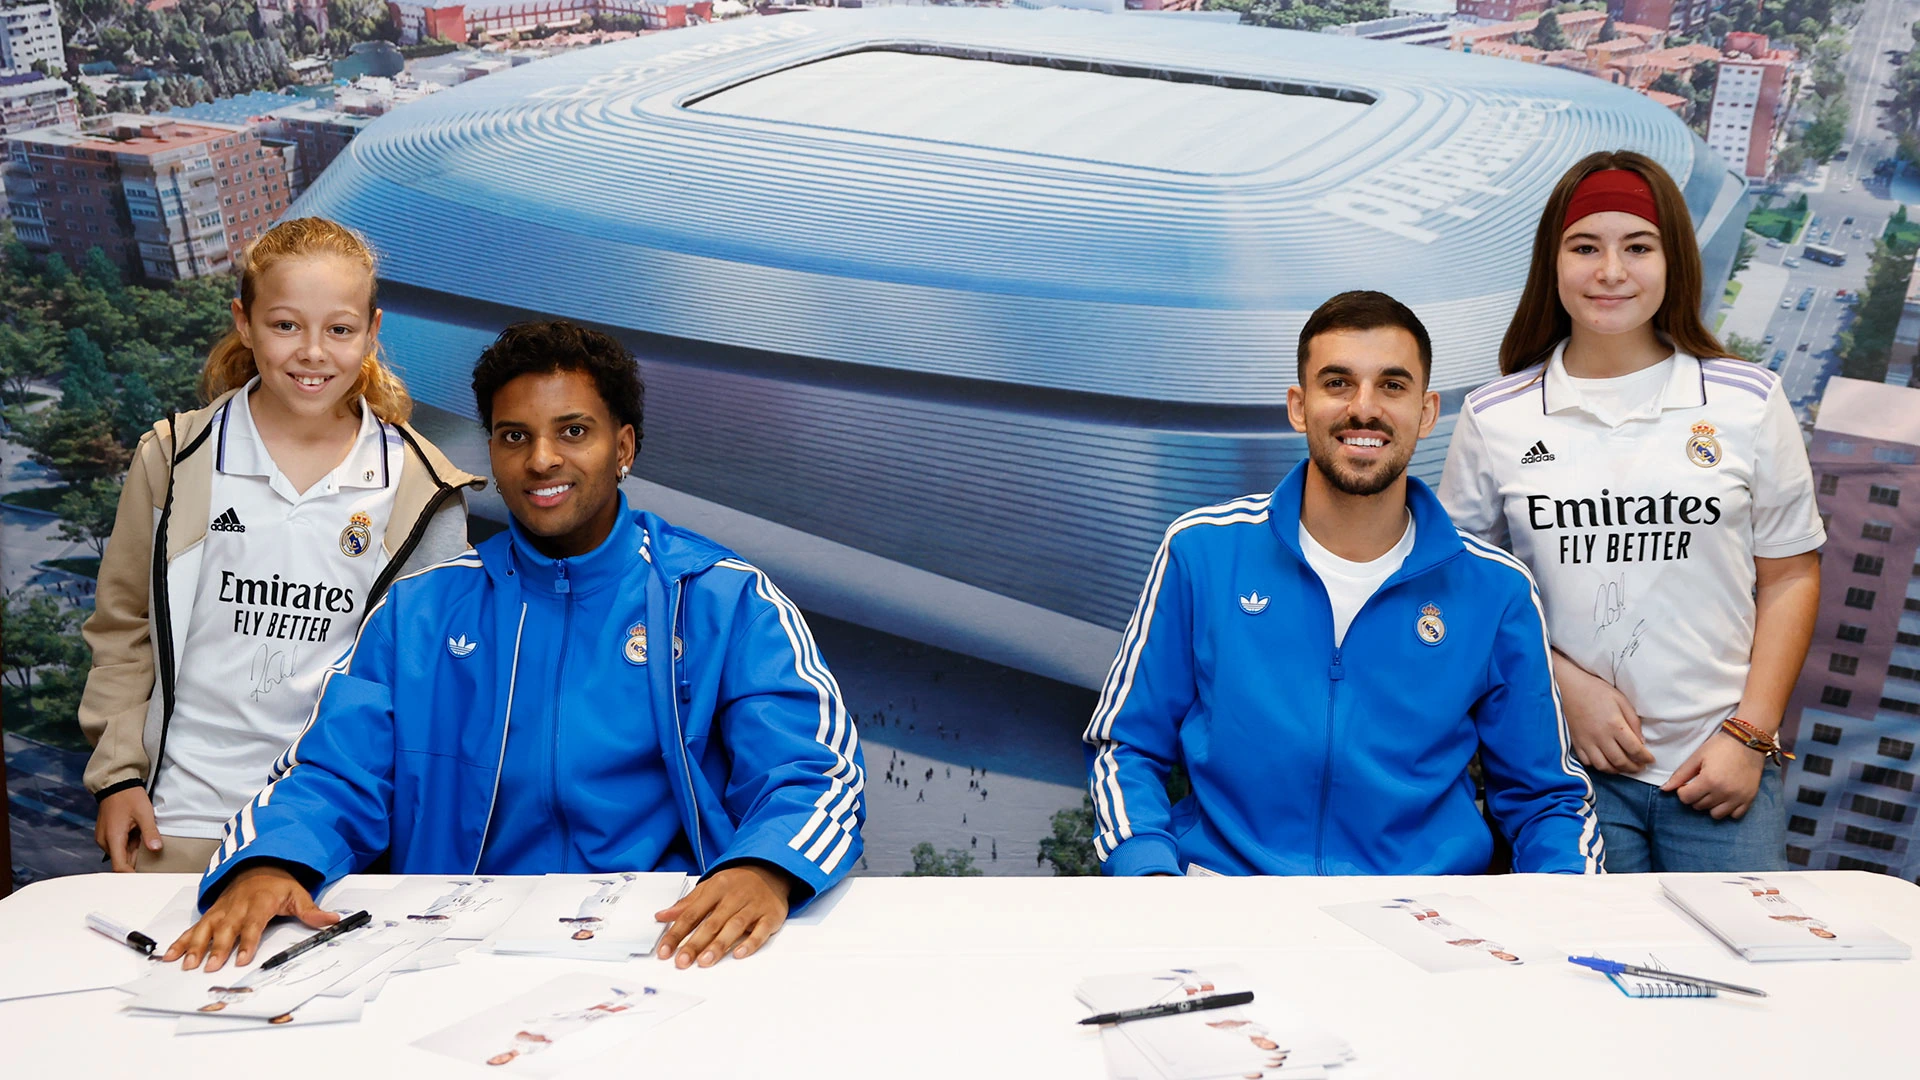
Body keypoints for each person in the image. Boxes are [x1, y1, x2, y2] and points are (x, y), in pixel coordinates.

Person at [163, 320, 864, 973]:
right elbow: (331, 773)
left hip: (667, 942)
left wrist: (763, 869)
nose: (542, 459)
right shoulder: (420, 612)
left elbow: (815, 773)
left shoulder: (721, 598)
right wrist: (272, 861)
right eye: (514, 436)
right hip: (454, 953)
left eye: (573, 431)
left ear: (623, 448)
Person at [1084, 290, 1601, 877]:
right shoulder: (1202, 552)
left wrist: (1566, 896)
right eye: (1337, 383)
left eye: (1392, 385)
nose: (1364, 408)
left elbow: (1546, 801)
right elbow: (1127, 747)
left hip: (1421, 912)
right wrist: (1150, 876)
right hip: (1225, 899)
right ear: (1298, 406)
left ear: (1427, 412)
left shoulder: (1495, 588)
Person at [1438, 151, 1822, 873]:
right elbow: (1465, 593)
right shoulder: (1496, 417)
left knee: (1733, 949)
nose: (1611, 271)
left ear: (1674, 261)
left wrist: (1750, 734)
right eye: (1585, 247)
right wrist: (1564, 684)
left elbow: (1791, 576)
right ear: (1552, 263)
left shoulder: (1747, 401)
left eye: (1638, 247)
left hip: (1720, 770)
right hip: (1562, 774)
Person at [79, 217, 481, 874]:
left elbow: (432, 684)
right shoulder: (174, 458)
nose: (313, 352)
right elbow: (123, 627)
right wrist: (118, 776)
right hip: (175, 821)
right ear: (244, 323)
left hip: (330, 831)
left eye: (340, 329)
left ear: (372, 332)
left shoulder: (422, 486)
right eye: (286, 324)